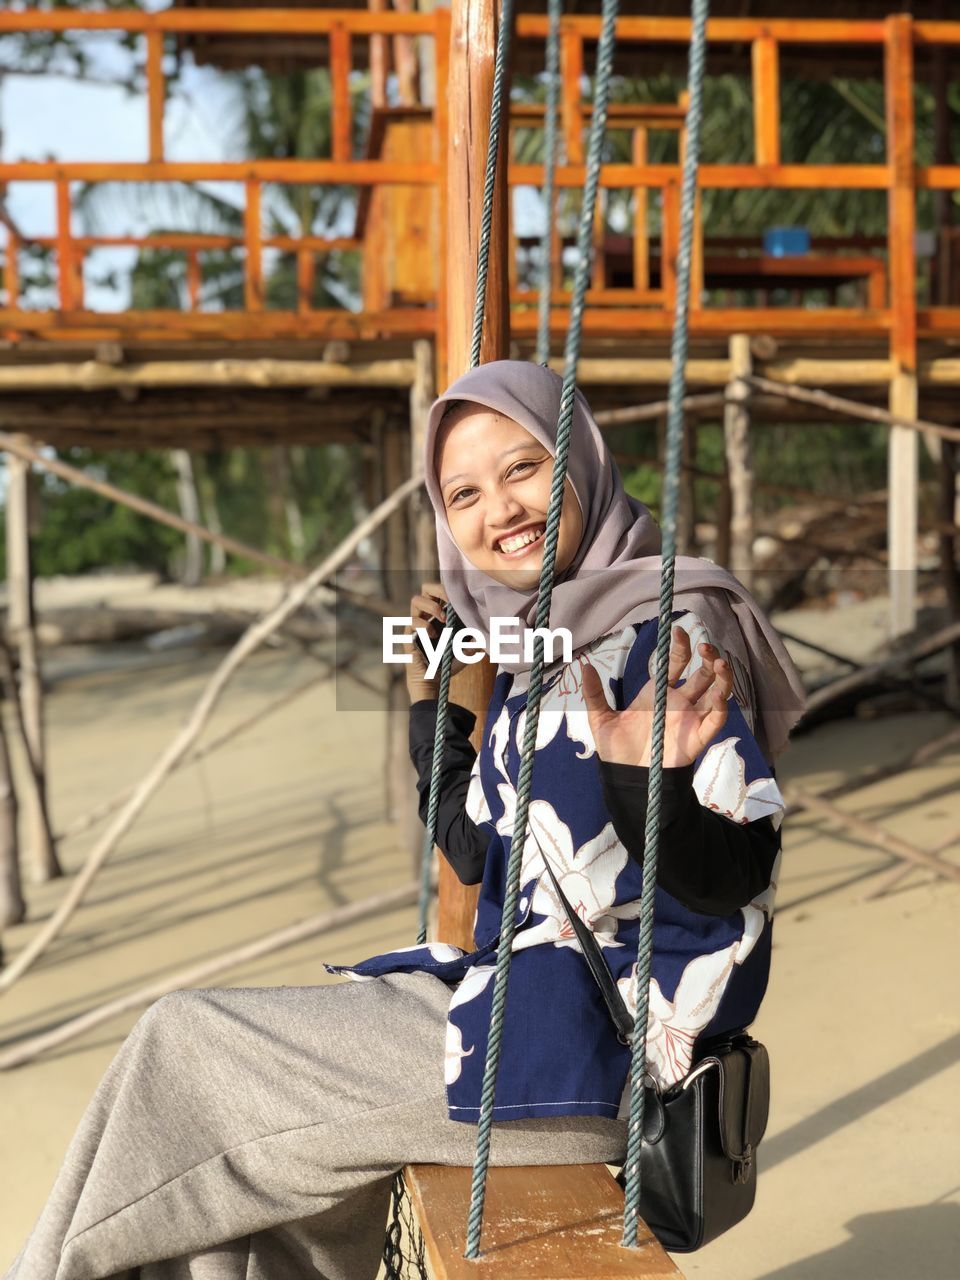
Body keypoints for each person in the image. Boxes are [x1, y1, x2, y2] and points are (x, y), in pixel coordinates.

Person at [4, 360, 803, 1280]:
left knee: (184, 1047)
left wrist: (639, 783)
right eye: (463, 492)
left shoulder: (673, 625)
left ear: (579, 461)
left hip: (587, 1058)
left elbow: (741, 870)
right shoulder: (542, 639)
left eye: (522, 468)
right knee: (236, 1160)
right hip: (509, 1009)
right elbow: (480, 850)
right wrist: (436, 709)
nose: (498, 508)